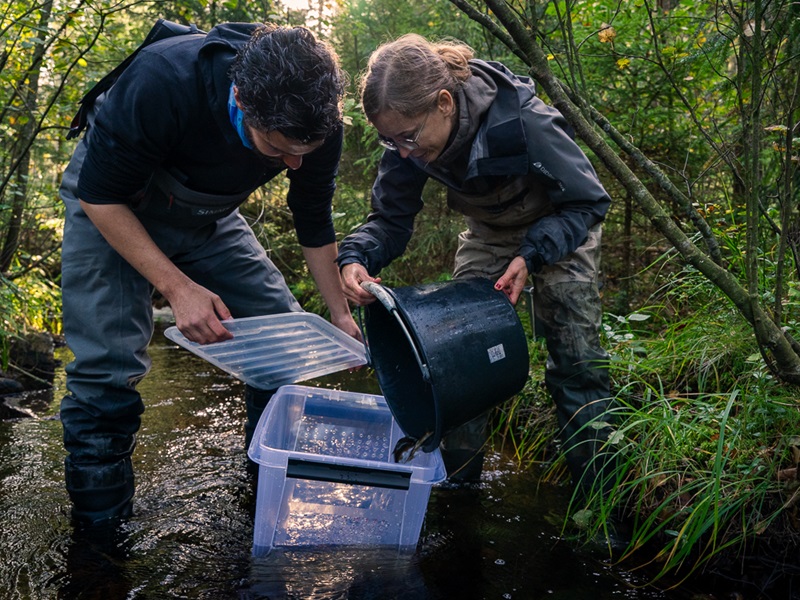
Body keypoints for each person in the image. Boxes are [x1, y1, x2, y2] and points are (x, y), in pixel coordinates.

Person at [59, 22, 359, 527]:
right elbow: (100, 197)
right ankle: (99, 544)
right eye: (278, 148)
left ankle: (260, 502)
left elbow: (313, 218)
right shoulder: (161, 82)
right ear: (240, 98)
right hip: (114, 205)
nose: (292, 162)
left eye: (303, 152)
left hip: (207, 215)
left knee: (284, 345)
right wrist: (177, 288)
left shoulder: (317, 123)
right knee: (106, 372)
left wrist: (339, 314)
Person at [337, 34, 613, 494]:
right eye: (389, 140)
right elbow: (389, 219)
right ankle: (456, 488)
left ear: (444, 102)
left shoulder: (523, 119)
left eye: (406, 137)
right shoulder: (407, 140)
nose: (402, 151)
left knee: (575, 356)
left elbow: (587, 203)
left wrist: (531, 254)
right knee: (454, 354)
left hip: (562, 225)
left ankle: (600, 496)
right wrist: (356, 257)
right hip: (489, 233)